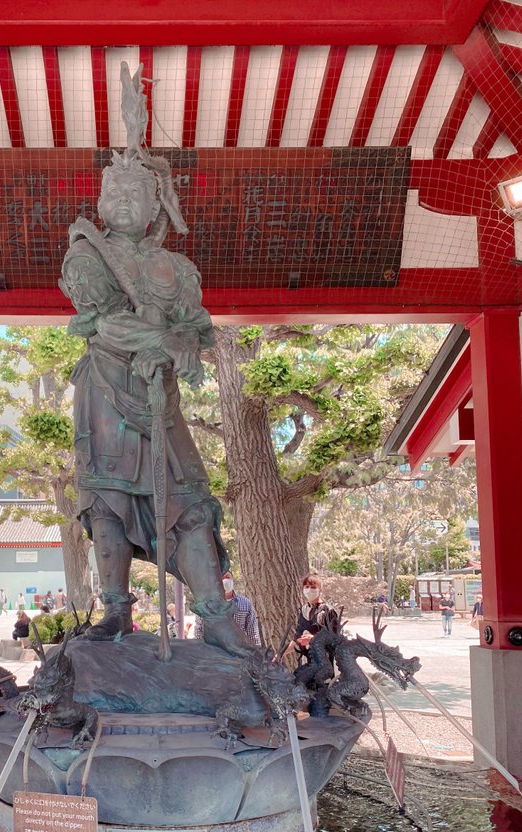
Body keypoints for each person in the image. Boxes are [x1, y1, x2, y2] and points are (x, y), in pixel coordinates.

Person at [60, 104, 255, 659]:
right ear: (100, 204)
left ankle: (215, 616)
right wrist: (159, 342)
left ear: (154, 208)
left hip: (161, 402)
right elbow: (103, 321)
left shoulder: (177, 269)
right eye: (114, 196)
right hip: (105, 391)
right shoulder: (86, 254)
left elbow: (200, 331)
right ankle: (117, 610)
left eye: (136, 196)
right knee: (108, 500)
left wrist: (183, 348)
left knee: (191, 502)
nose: (123, 204)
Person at [194, 571, 262, 647]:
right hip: (215, 651)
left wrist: (256, 650)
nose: (225, 580)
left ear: (232, 579)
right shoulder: (206, 604)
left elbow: (252, 631)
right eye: (222, 578)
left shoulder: (245, 603)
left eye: (227, 577)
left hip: (239, 651)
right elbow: (199, 630)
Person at [286, 573, 339, 658]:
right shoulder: (303, 610)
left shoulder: (328, 611)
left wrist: (313, 639)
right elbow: (297, 640)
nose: (309, 590)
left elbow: (335, 639)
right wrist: (279, 655)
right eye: (306, 587)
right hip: (307, 661)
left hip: (325, 662)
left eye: (313, 587)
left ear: (320, 590)